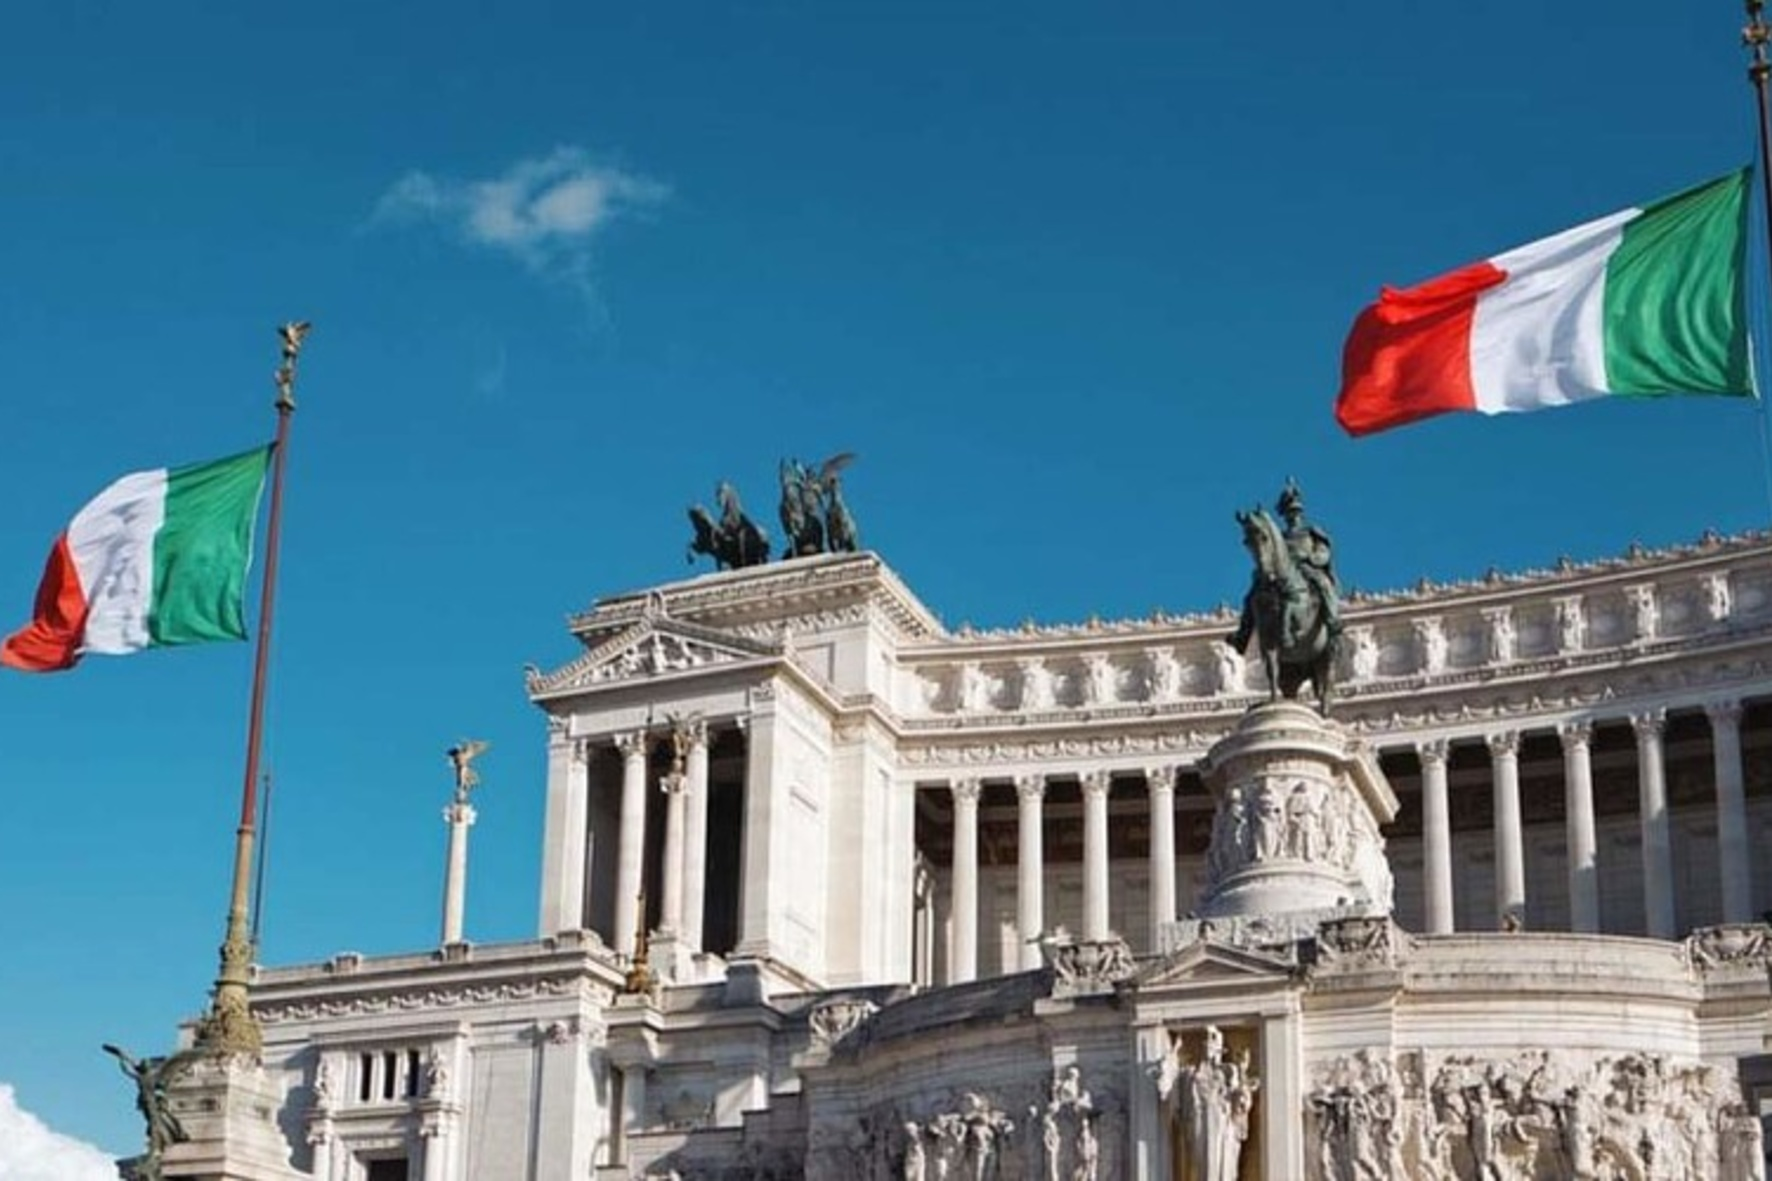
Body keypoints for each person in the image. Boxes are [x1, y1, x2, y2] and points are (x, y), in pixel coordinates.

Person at [1275, 478, 1342, 644]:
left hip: (1307, 569)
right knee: (1255, 596)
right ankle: (1243, 634)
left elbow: (1323, 552)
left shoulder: (1311, 531)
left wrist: (1309, 558)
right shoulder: (1280, 538)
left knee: (1323, 583)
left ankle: (1332, 619)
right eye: (1290, 513)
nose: (1294, 516)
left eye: (1296, 512)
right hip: (1284, 574)